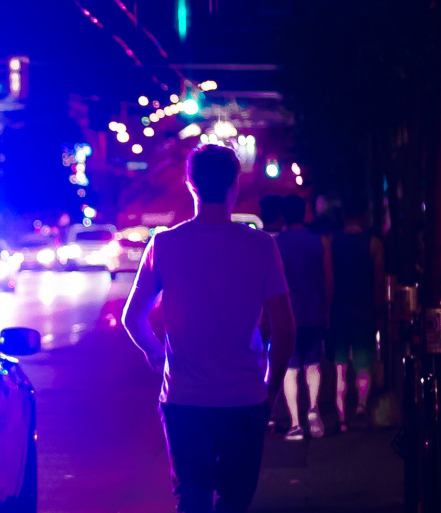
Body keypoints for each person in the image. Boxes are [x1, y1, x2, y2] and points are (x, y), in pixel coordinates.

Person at [123, 144, 295, 513]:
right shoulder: (261, 246)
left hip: (184, 399)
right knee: (235, 501)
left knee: (193, 499)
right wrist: (270, 390)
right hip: (245, 398)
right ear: (236, 184)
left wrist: (157, 355)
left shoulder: (164, 244)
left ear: (190, 184)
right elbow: (284, 328)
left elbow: (133, 317)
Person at [276, 194, 333, 441]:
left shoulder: (277, 244)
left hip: (288, 315)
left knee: (290, 370)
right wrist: (326, 310)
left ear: (284, 216)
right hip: (314, 311)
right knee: (313, 365)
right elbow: (328, 279)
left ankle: (295, 424)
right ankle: (313, 408)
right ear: (304, 213)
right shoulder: (319, 242)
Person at [329, 195, 385, 431]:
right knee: (363, 362)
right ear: (364, 216)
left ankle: (342, 416)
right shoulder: (374, 244)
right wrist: (379, 310)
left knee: (340, 366)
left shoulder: (332, 242)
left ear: (343, 215)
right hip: (364, 310)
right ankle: (361, 404)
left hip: (339, 310)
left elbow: (329, 280)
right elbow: (379, 283)